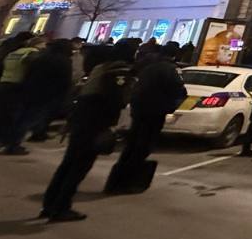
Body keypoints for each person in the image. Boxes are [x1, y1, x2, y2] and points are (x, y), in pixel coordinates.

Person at [41, 41, 136, 222]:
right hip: (95, 123)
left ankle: (50, 204)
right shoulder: (119, 71)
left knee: (68, 164)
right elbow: (114, 100)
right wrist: (111, 125)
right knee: (79, 167)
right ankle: (61, 207)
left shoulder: (100, 68)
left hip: (82, 120)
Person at [106, 41, 186, 193]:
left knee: (132, 144)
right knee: (142, 146)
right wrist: (171, 106)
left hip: (139, 109)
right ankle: (127, 182)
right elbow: (179, 89)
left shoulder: (146, 64)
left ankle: (116, 181)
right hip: (155, 111)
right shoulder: (169, 69)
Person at [12, 39, 73, 145]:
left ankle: (15, 139)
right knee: (34, 117)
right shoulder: (64, 61)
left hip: (32, 89)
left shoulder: (41, 57)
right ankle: (14, 143)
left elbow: (29, 72)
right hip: (50, 93)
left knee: (25, 116)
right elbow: (65, 80)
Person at [0, 33, 45, 154]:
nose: (45, 46)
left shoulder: (14, 52)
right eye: (43, 44)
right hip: (18, 86)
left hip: (4, 83)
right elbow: (32, 68)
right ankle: (9, 143)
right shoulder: (32, 53)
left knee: (3, 114)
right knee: (14, 117)